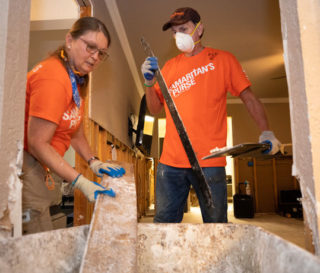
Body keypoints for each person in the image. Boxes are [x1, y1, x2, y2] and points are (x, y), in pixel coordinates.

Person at [141, 7, 281, 223]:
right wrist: (149, 83)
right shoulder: (169, 67)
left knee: (216, 226)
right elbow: (155, 109)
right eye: (175, 31)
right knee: (164, 228)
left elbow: (249, 98)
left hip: (210, 161)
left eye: (184, 29)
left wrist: (267, 132)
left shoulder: (223, 60)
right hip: (171, 163)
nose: (179, 35)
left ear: (199, 29)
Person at [23, 16, 125, 234]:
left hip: (44, 165)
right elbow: (37, 143)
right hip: (27, 162)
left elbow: (75, 130)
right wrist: (80, 182)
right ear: (70, 40)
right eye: (91, 47)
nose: (96, 57)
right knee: (37, 243)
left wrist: (93, 161)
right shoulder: (53, 77)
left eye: (101, 53)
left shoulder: (77, 78)